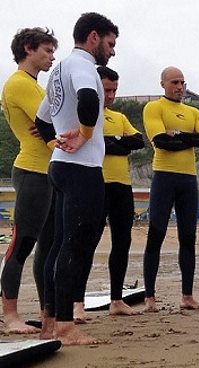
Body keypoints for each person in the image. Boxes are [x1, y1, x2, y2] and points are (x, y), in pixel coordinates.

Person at [34, 12, 119, 345]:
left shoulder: (58, 70)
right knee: (75, 245)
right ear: (94, 37)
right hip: (81, 168)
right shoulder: (83, 64)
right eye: (110, 44)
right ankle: (67, 327)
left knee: (57, 245)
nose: (112, 52)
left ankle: (49, 321)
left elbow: (42, 121)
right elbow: (89, 98)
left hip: (60, 166)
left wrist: (56, 141)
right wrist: (83, 135)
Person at [72, 66, 145, 321]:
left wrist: (108, 142)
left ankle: (116, 299)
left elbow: (138, 142)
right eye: (106, 90)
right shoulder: (84, 116)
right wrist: (114, 143)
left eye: (114, 90)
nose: (111, 95)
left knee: (122, 241)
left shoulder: (119, 117)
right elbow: (89, 141)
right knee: (87, 242)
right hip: (94, 182)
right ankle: (77, 303)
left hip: (122, 185)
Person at [0, 27, 58, 334]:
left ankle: (47, 314)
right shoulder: (20, 84)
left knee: (47, 248)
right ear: (27, 48)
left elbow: (53, 121)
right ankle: (10, 316)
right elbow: (56, 120)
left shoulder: (37, 87)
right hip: (31, 170)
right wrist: (53, 122)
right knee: (22, 243)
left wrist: (52, 122)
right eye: (47, 50)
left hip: (48, 171)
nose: (51, 57)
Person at [142, 66, 199, 312]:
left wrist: (179, 134)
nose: (180, 87)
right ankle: (150, 297)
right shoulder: (154, 108)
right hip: (164, 177)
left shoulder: (192, 111)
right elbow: (162, 142)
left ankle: (187, 296)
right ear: (163, 84)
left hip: (187, 180)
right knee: (156, 234)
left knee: (188, 237)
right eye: (174, 82)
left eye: (183, 82)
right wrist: (187, 138)